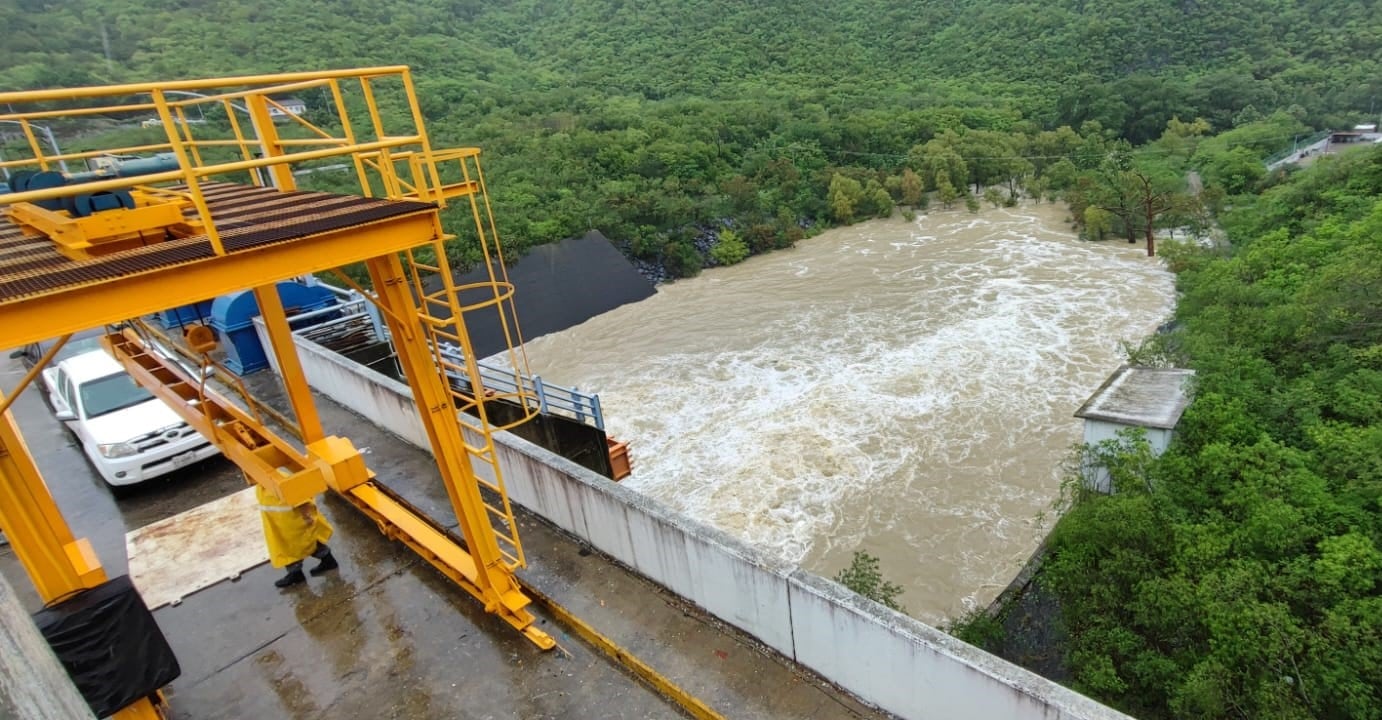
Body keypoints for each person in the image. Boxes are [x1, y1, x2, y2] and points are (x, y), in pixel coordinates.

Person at [256, 484, 338, 588]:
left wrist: (306, 515)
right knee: (305, 541)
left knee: (292, 546)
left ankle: (296, 573)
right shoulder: (265, 483)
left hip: (291, 520)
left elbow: (298, 494)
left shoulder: (279, 481)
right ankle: (327, 560)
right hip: (282, 520)